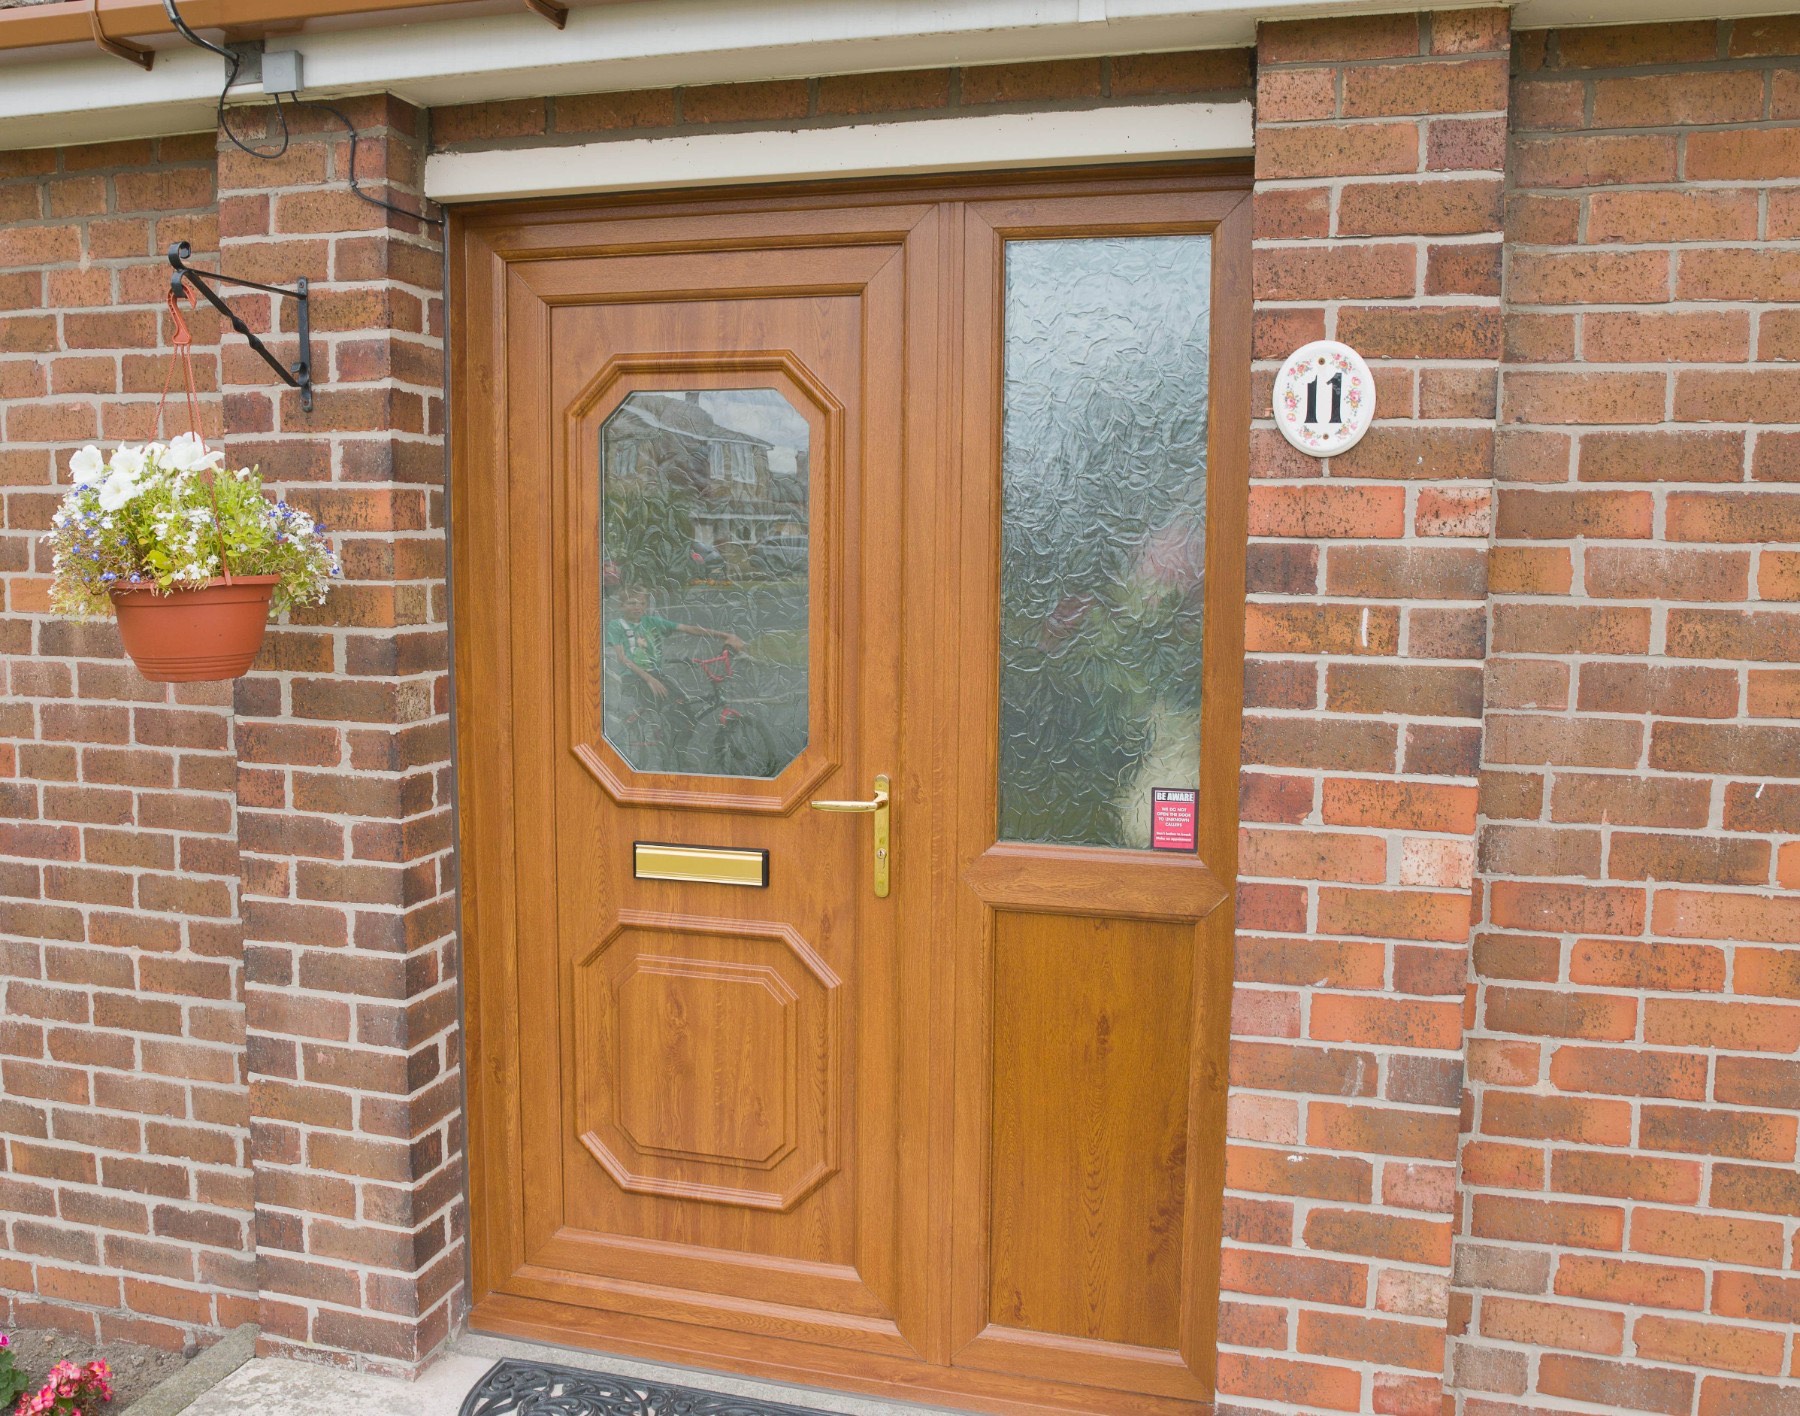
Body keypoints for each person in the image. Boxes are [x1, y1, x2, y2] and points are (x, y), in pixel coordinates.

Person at [607, 586, 746, 765]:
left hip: (655, 675)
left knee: (685, 710)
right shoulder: (616, 626)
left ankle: (676, 749)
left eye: (642, 603)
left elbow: (688, 629)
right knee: (677, 713)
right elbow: (622, 658)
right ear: (621, 606)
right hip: (635, 678)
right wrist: (649, 680)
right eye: (632, 603)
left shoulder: (651, 622)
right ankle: (676, 758)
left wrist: (725, 635)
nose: (638, 607)